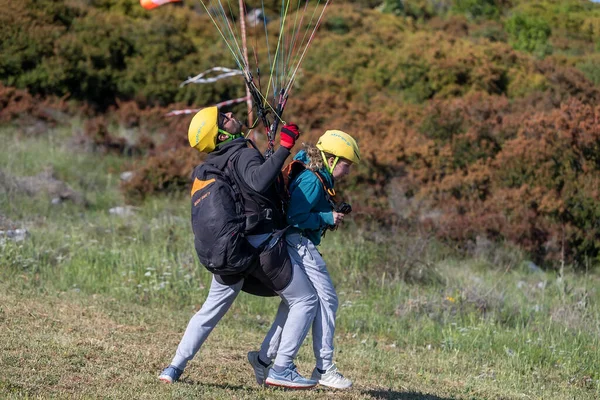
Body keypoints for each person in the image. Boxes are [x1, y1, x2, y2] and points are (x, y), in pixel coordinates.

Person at [158, 106, 319, 389]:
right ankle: (280, 367)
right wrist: (284, 147)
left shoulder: (216, 162)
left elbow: (253, 181)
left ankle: (174, 367)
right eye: (224, 118)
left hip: (233, 248)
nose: (231, 114)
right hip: (260, 246)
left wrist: (271, 157)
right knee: (305, 299)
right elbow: (257, 181)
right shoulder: (241, 152)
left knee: (210, 311)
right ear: (221, 134)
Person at [247, 130, 360, 389]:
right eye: (347, 164)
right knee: (327, 300)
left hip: (296, 242)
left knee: (293, 304)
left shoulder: (314, 176)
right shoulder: (311, 179)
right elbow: (295, 218)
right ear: (331, 159)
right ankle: (324, 368)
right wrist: (326, 218)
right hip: (299, 242)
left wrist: (326, 214)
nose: (348, 171)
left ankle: (264, 360)